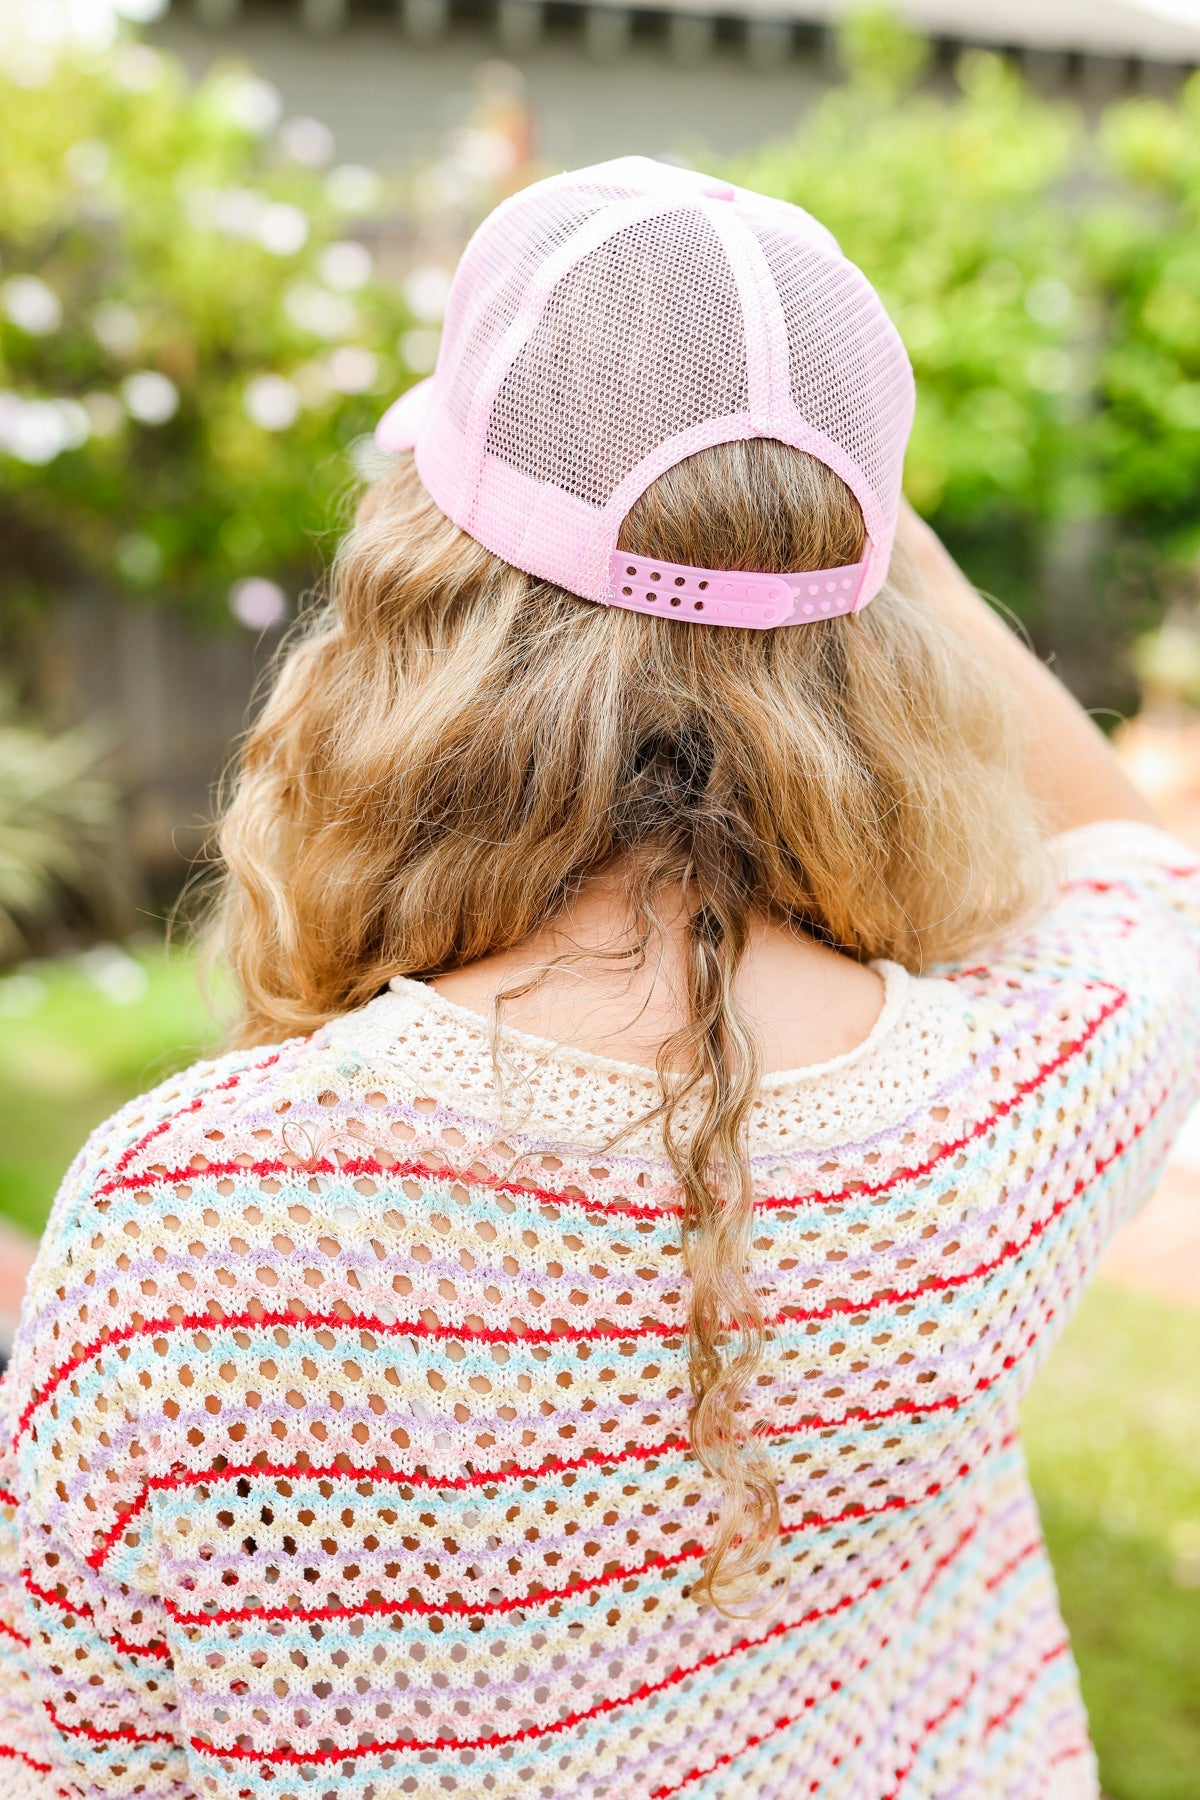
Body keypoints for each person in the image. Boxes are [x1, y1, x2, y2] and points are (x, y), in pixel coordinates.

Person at [0, 156, 1195, 1800]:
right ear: (868, 627)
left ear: (425, 579)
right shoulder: (1013, 1113)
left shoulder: (183, 1216)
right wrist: (890, 552)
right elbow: (1148, 881)